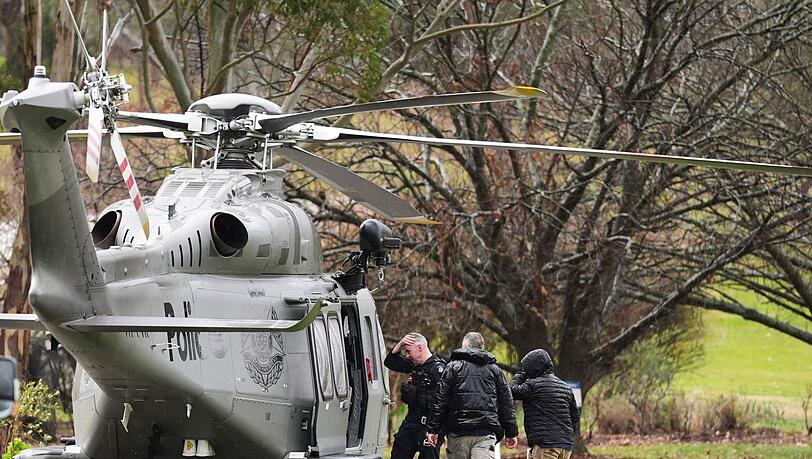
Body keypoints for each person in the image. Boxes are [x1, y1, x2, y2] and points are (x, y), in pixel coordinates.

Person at [426, 332, 518, 459]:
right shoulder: (495, 370)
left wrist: (433, 429)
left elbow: (440, 400)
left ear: (464, 346)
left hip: (458, 431)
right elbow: (506, 403)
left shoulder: (452, 368)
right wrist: (511, 432)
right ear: (482, 347)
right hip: (485, 432)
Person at [385, 332, 446, 459]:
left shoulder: (439, 369)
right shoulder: (415, 366)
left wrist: (435, 430)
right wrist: (401, 343)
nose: (407, 355)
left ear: (420, 348)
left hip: (429, 427)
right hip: (411, 423)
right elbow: (390, 362)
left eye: (408, 351)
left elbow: (443, 403)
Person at [509, 349, 580, 459]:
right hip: (566, 446)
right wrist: (565, 436)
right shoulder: (565, 387)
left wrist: (520, 375)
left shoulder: (533, 385)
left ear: (533, 369)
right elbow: (575, 417)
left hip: (546, 444)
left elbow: (511, 390)